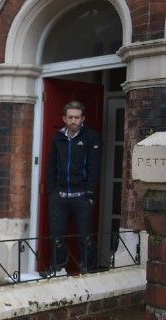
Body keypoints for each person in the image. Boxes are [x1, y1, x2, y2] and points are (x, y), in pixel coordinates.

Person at [46, 100, 102, 275]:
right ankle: (58, 269)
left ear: (82, 118)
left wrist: (90, 194)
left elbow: (94, 168)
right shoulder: (58, 137)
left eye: (77, 117)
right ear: (64, 118)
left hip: (81, 196)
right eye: (70, 117)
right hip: (60, 196)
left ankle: (88, 270)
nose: (73, 121)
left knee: (85, 237)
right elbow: (51, 166)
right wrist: (52, 190)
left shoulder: (91, 137)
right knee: (57, 236)